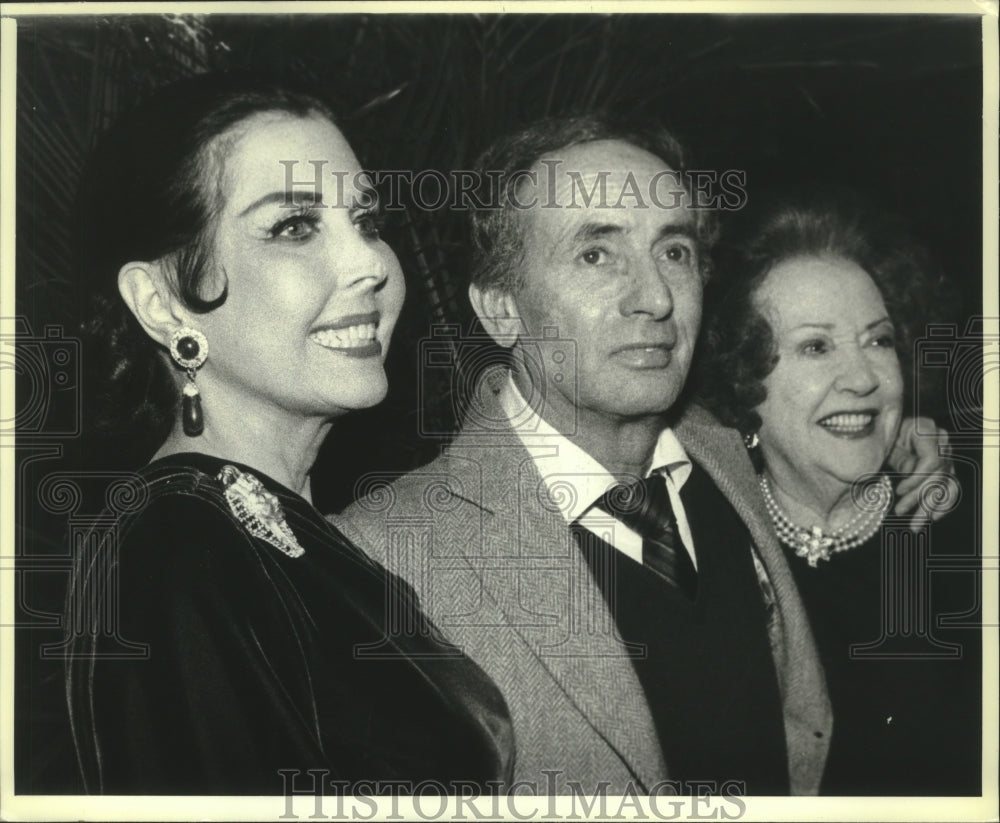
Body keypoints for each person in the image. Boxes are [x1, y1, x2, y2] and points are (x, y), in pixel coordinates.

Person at [333, 117, 957, 796]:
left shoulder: (724, 457)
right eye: (596, 255)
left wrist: (902, 433)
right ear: (501, 308)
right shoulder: (388, 557)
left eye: (675, 252)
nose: (655, 297)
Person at [61, 72, 513, 795]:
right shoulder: (177, 550)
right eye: (295, 227)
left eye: (365, 221)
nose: (370, 263)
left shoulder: (279, 535)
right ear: (162, 302)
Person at [697, 191, 980, 795]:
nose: (862, 379)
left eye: (878, 341)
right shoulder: (699, 546)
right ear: (744, 375)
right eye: (816, 347)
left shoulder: (966, 540)